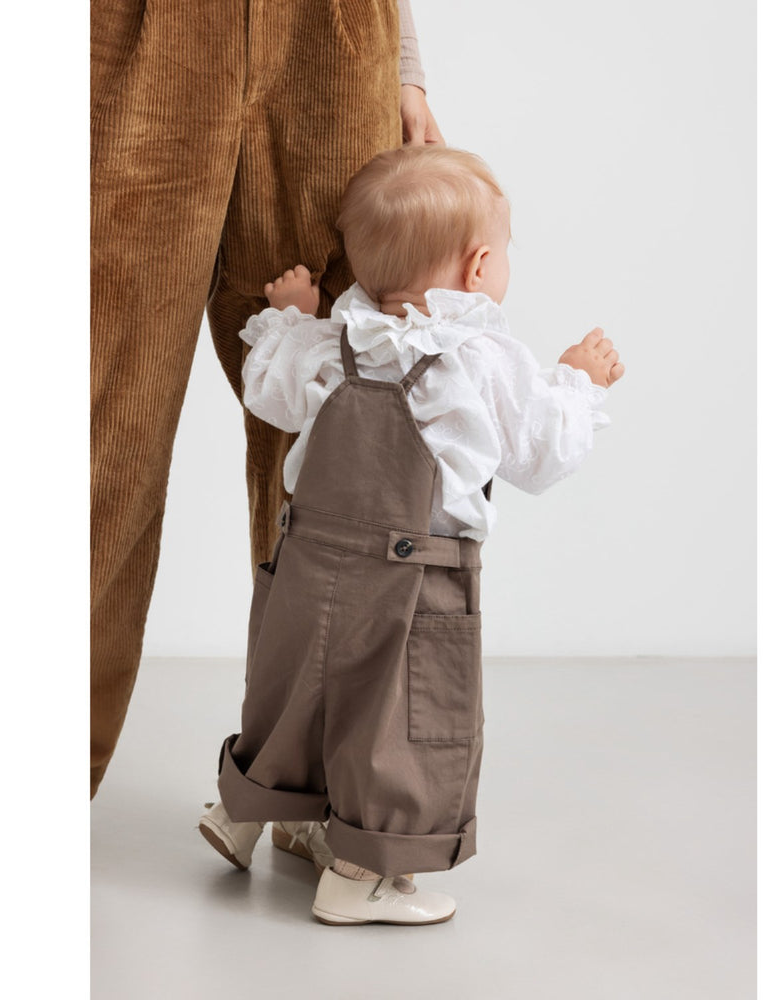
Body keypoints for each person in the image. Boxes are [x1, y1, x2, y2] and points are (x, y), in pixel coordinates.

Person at [199, 145, 625, 925]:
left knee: (296, 691)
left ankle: (249, 815)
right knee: (399, 724)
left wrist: (292, 318)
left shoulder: (337, 340)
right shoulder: (482, 360)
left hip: (312, 566)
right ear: (480, 267)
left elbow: (270, 390)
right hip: (415, 582)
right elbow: (540, 453)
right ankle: (362, 875)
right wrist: (578, 381)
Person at [91, 0, 442, 798]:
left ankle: (310, 783)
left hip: (331, 36)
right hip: (135, 35)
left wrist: (405, 67)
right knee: (103, 411)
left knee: (340, 413)